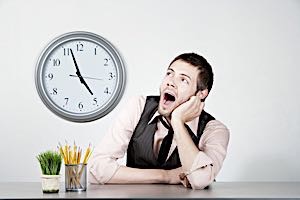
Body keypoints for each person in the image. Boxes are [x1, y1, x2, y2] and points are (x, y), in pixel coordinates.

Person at [89, 53, 230, 189]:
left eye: (183, 80)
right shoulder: (139, 106)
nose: (170, 82)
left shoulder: (214, 130)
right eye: (169, 73)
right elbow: (95, 169)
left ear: (201, 94)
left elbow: (200, 180)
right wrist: (166, 176)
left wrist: (178, 121)